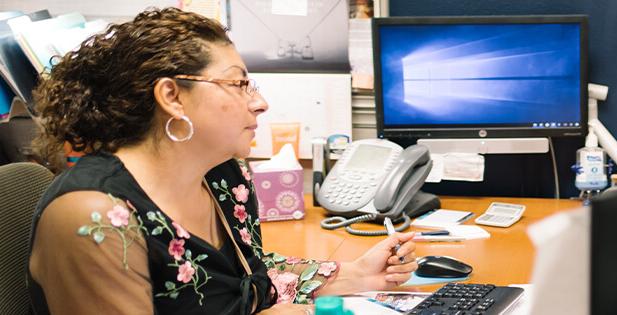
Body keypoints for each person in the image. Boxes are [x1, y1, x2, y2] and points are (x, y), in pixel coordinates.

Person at [28, 8, 417, 314]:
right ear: (172, 96)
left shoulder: (222, 176)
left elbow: (244, 275)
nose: (259, 102)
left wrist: (353, 274)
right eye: (238, 84)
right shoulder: (94, 214)